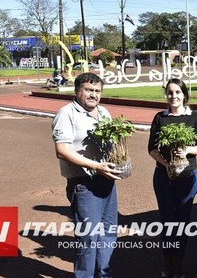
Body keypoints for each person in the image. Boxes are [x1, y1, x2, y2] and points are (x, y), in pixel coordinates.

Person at [51, 72, 122, 278]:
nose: (94, 95)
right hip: (84, 184)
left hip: (107, 181)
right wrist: (96, 166)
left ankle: (103, 273)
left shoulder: (104, 113)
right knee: (88, 238)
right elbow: (62, 150)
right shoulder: (66, 114)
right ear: (77, 90)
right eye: (89, 90)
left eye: (97, 91)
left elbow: (114, 142)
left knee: (108, 232)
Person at [148, 78, 197, 278]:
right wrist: (167, 165)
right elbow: (152, 149)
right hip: (163, 177)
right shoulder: (160, 118)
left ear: (184, 95)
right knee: (167, 220)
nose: (174, 96)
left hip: (188, 177)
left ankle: (178, 263)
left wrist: (186, 150)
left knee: (182, 221)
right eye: (170, 92)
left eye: (178, 92)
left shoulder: (194, 117)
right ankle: (167, 260)